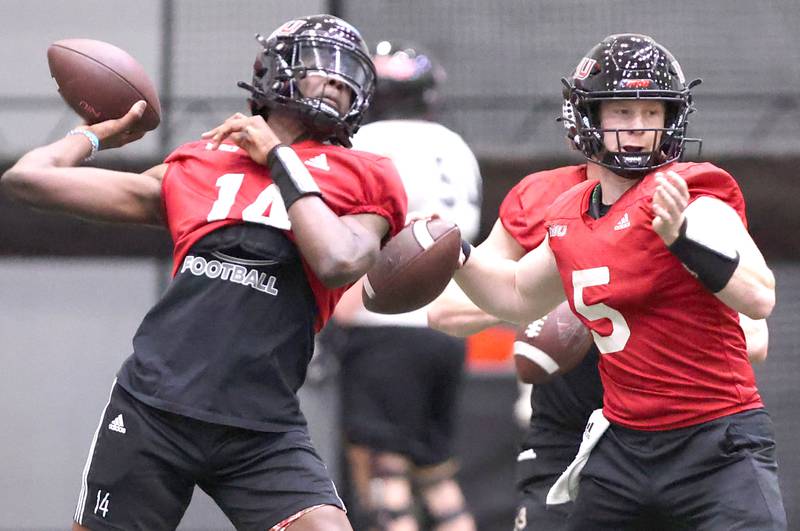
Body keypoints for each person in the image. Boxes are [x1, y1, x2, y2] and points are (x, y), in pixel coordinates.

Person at [1, 15, 407, 531]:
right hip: (153, 408)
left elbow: (337, 262)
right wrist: (96, 135)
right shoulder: (199, 163)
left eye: (347, 74)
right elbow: (26, 180)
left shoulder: (367, 174)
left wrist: (280, 159)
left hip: (262, 427)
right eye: (320, 67)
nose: (336, 81)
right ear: (272, 74)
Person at [444, 33, 786, 530]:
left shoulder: (691, 192)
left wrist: (684, 237)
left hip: (716, 443)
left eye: (652, 113)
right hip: (622, 447)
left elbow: (760, 297)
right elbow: (517, 295)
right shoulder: (568, 214)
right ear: (590, 117)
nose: (638, 128)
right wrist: (455, 255)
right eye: (622, 112)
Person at [328, 41, 481, 531]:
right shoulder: (456, 147)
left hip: (384, 323)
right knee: (436, 471)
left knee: (386, 471)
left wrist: (335, 321)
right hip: (448, 325)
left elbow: (357, 240)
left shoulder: (368, 142)